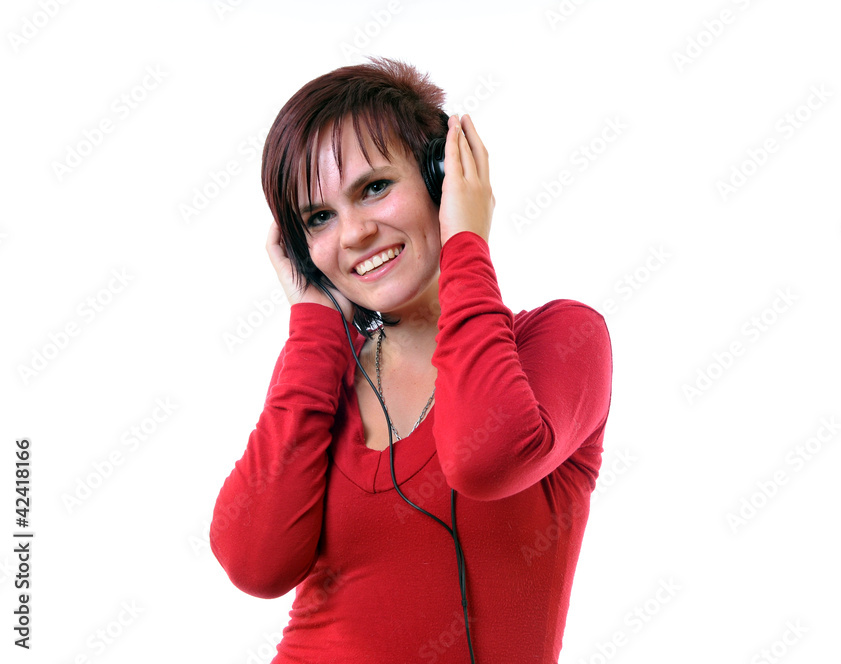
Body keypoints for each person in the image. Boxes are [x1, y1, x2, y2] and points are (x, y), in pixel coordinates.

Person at [210, 56, 614, 663]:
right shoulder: (325, 371)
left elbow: (485, 458)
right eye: (319, 218)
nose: (353, 234)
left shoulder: (563, 340)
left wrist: (465, 243)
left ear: (440, 178)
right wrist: (315, 324)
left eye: (374, 188)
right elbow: (253, 563)